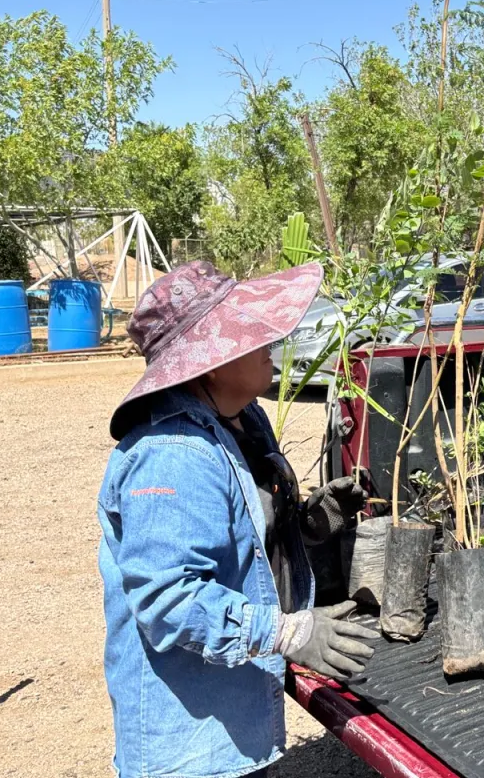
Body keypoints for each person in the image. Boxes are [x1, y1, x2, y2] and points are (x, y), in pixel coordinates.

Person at [98, 260, 380, 778]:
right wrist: (291, 633)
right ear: (209, 360)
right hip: (188, 747)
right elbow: (169, 599)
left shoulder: (242, 418)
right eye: (246, 331)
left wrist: (307, 523)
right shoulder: (172, 453)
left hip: (232, 714)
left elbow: (240, 535)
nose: (268, 337)